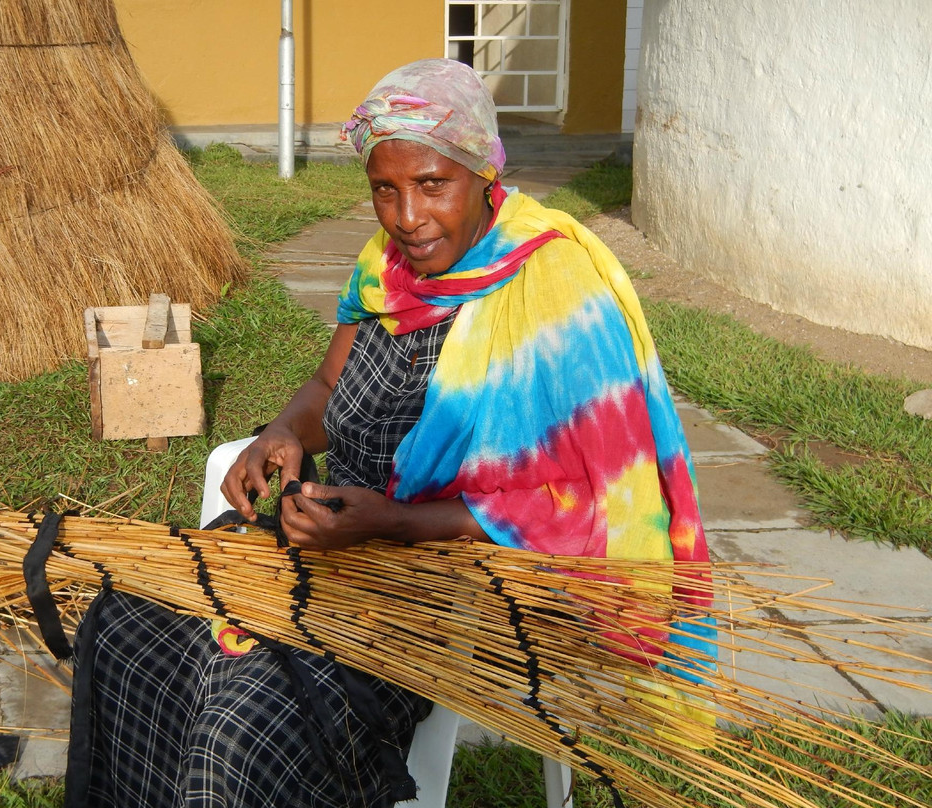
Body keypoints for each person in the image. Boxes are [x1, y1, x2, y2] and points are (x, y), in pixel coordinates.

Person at [67, 58, 711, 808]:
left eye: (433, 184)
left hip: (444, 588)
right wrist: (282, 433)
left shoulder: (558, 293)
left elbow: (582, 504)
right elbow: (327, 387)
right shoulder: (387, 267)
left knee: (241, 720)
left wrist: (395, 522)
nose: (407, 216)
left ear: (483, 178)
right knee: (127, 628)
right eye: (385, 188)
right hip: (332, 545)